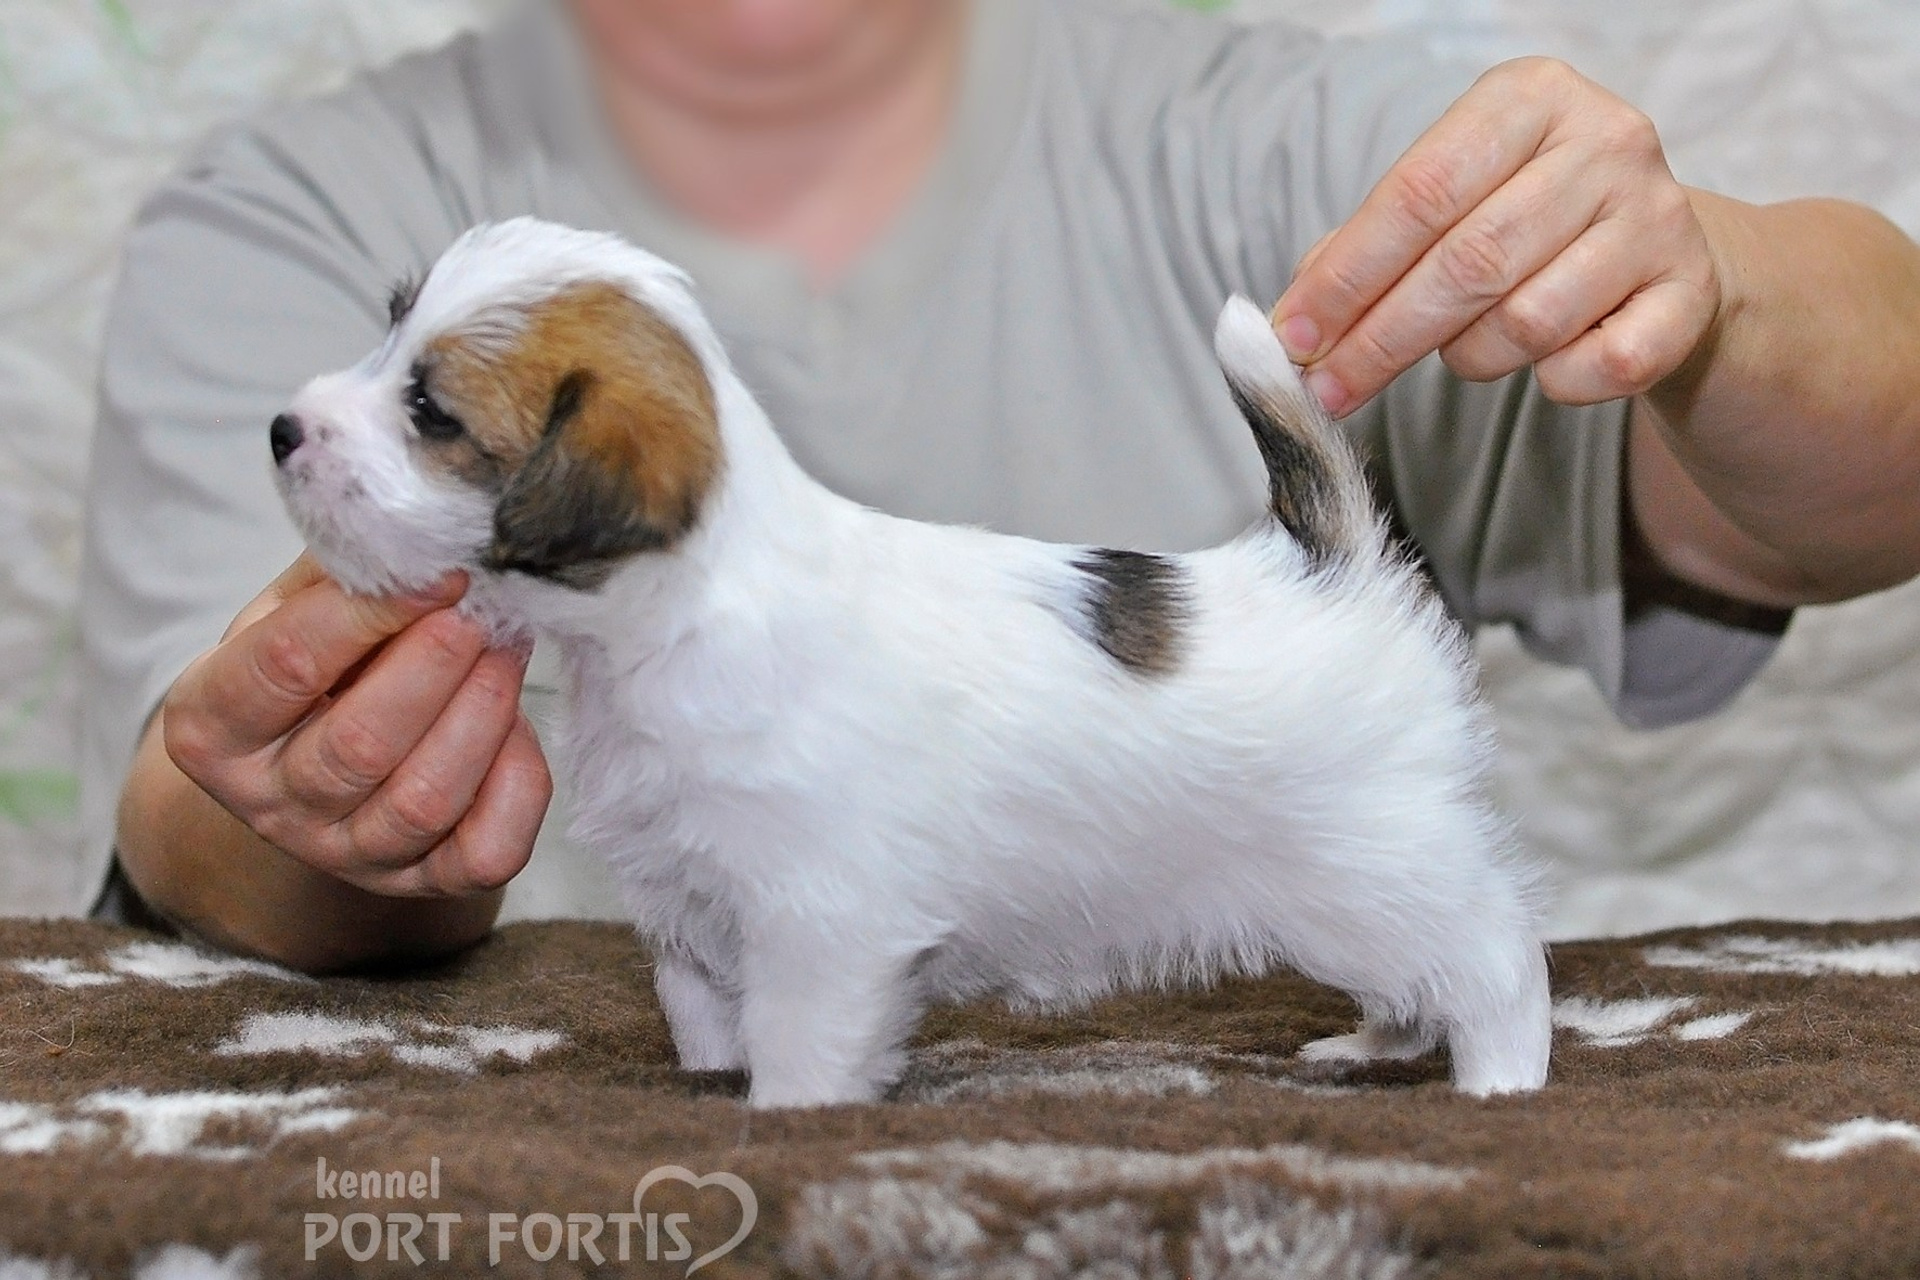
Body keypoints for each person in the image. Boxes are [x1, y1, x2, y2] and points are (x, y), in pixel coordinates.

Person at [78, 0, 1920, 972]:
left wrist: (1715, 290)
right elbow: (193, 838)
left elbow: (1860, 480)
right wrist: (302, 815)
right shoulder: (284, 211)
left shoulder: (1279, 143)